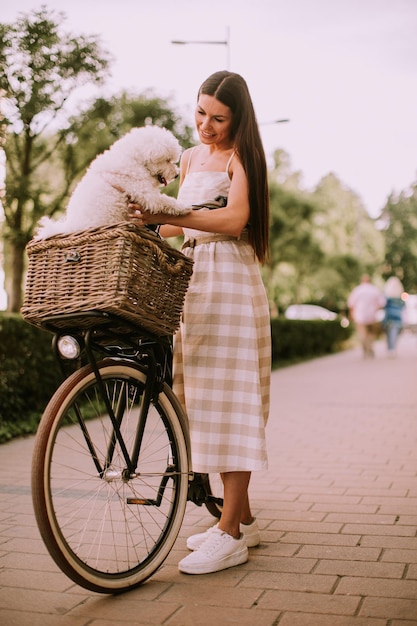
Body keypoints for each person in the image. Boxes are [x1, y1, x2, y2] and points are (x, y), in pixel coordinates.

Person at [128, 71, 271, 575]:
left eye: (219, 118)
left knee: (232, 397)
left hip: (230, 275)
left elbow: (234, 221)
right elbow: (169, 224)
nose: (206, 125)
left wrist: (177, 218)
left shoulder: (242, 157)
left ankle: (231, 535)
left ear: (238, 118)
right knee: (201, 396)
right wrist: (144, 217)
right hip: (192, 276)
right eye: (200, 113)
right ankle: (242, 517)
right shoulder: (188, 158)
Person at [347, 274, 385, 358]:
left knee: (362, 334)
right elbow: (382, 303)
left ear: (361, 281)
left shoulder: (357, 290)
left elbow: (351, 304)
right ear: (370, 281)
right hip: (372, 316)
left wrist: (351, 314)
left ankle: (365, 349)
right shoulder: (375, 290)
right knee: (371, 334)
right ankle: (370, 347)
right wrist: (375, 309)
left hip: (360, 316)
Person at [383, 276, 405, 356]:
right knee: (394, 333)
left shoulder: (387, 298)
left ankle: (390, 348)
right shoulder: (400, 298)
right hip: (397, 318)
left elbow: (383, 305)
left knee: (389, 334)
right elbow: (403, 306)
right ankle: (392, 349)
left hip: (389, 317)